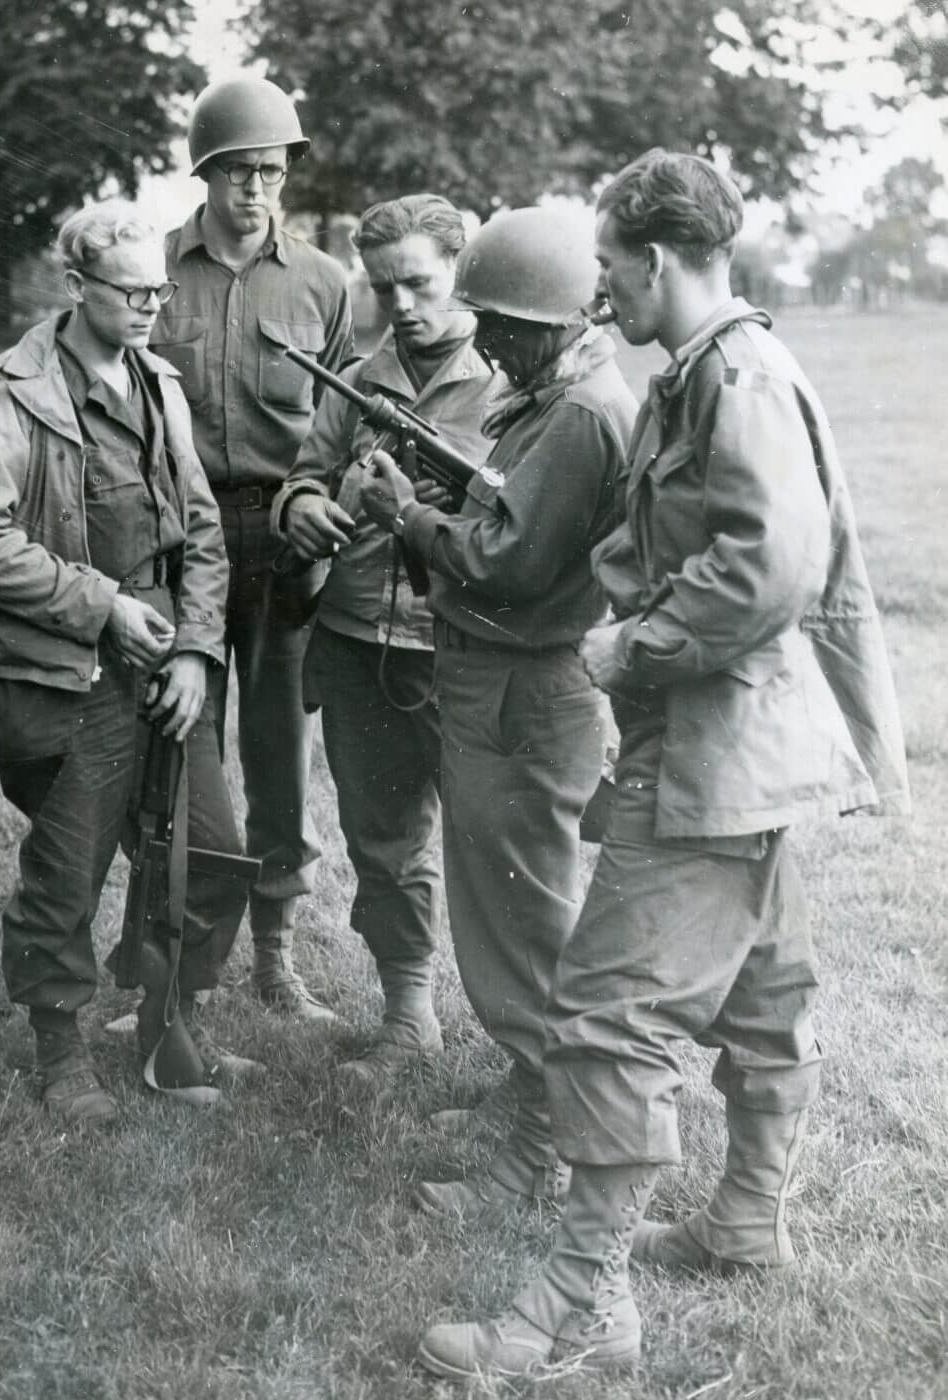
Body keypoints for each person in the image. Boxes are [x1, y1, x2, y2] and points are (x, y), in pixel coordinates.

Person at [416, 149, 911, 1381]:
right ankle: (746, 1214)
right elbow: (796, 567)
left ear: (653, 258)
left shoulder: (732, 377)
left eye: (612, 273)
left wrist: (632, 640)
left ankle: (577, 1310)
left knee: (607, 1015)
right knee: (761, 989)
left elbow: (777, 566)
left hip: (712, 750)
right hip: (753, 743)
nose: (601, 301)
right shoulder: (717, 369)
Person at [0, 200, 257, 1126]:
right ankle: (59, 1046)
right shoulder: (11, 392)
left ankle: (170, 1016)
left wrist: (196, 648)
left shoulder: (158, 380)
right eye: (132, 291)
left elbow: (200, 528)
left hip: (164, 647)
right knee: (69, 860)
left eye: (160, 288)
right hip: (72, 660)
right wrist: (100, 605)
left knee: (209, 846)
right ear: (77, 289)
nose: (153, 305)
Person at [359, 208, 637, 1214]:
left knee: (521, 923)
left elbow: (504, 561)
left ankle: (540, 1153)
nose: (486, 340)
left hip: (523, 685)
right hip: (508, 680)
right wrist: (453, 486)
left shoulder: (576, 412)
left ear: (551, 320)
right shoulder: (560, 393)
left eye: (502, 323)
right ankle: (529, 1099)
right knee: (506, 909)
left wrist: (405, 513)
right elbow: (512, 512)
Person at [270, 193, 503, 1093]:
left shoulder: (512, 376)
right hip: (361, 639)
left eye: (420, 282)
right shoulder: (360, 379)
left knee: (494, 845)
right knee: (382, 839)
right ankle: (408, 1013)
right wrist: (305, 509)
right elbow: (302, 472)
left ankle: (527, 1046)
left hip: (468, 644)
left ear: (463, 271)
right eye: (384, 287)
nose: (402, 304)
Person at [152, 76, 355, 1022]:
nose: (255, 192)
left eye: (270, 173)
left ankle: (275, 957)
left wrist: (319, 509)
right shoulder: (159, 272)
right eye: (236, 173)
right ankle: (173, 956)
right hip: (182, 540)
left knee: (278, 750)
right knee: (180, 746)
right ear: (205, 175)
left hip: (282, 539)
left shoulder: (321, 281)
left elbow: (350, 423)